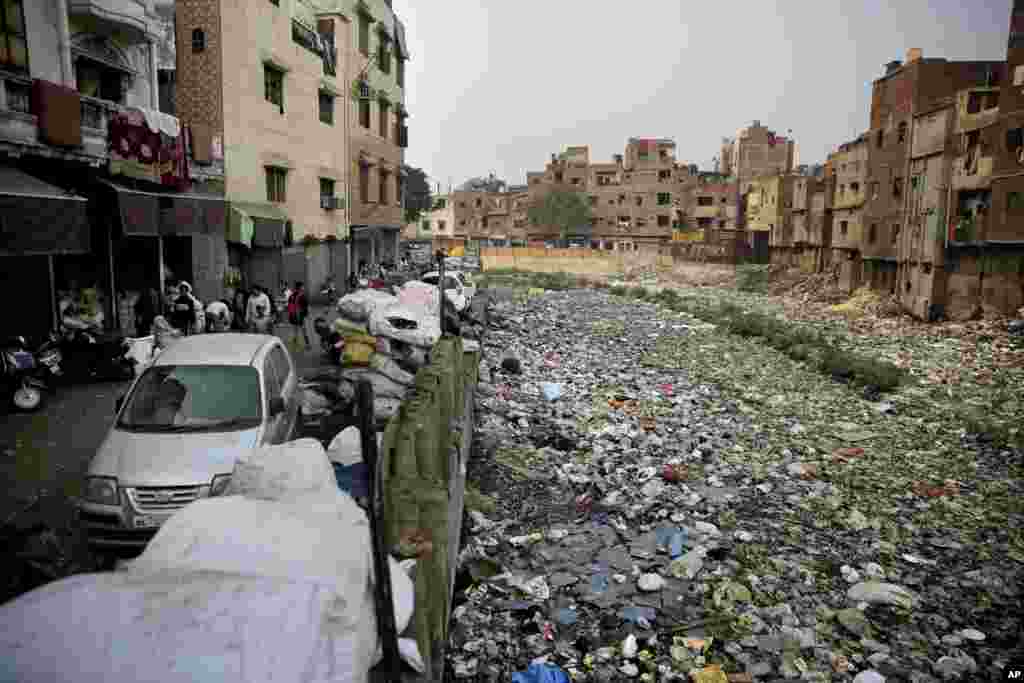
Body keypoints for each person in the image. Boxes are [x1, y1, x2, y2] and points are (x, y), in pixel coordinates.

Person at [286, 281, 311, 350]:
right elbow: (306, 306)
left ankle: (295, 344)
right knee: (304, 331)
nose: (304, 288)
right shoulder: (302, 296)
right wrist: (308, 315)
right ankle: (307, 344)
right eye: (303, 286)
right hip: (300, 316)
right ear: (300, 287)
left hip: (293, 316)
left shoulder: (291, 295)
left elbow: (289, 306)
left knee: (295, 331)